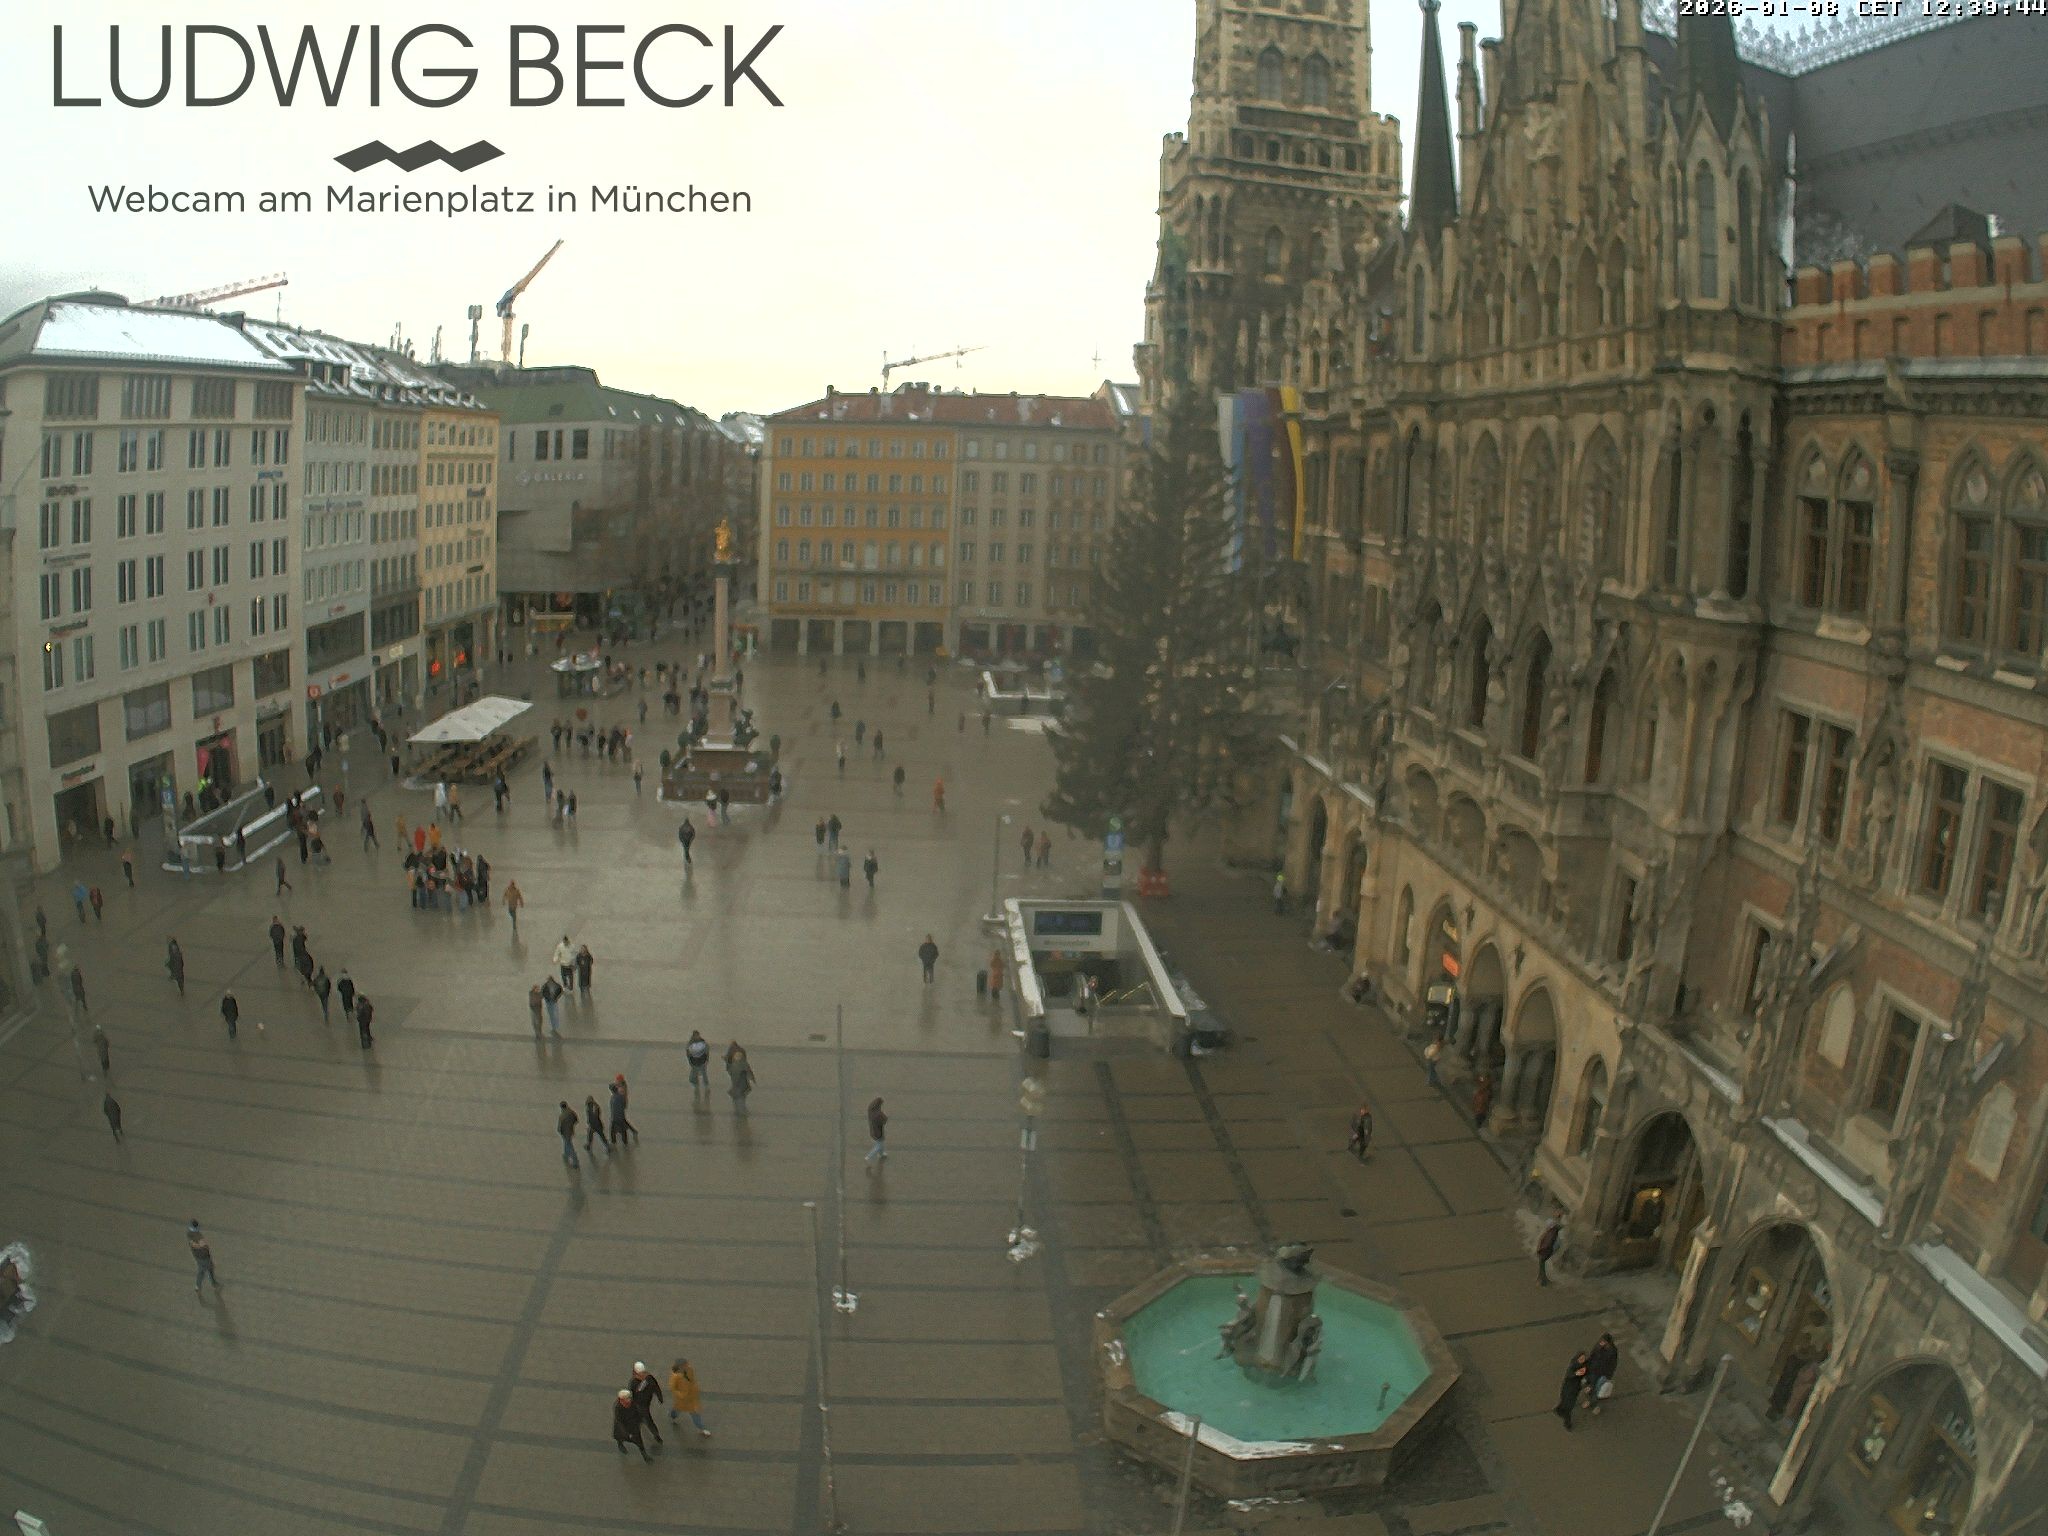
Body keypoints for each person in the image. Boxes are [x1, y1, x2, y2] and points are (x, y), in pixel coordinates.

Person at [667, 1358, 712, 1436]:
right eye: (685, 1365)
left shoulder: (689, 1369)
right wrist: (680, 1395)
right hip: (682, 1400)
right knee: (676, 1410)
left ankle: (702, 1428)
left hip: (691, 1397)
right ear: (680, 1366)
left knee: (695, 1414)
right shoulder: (675, 1376)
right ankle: (672, 1416)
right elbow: (672, 1388)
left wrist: (695, 1388)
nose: (687, 1366)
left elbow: (692, 1379)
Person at [629, 1362, 665, 1445]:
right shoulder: (634, 1383)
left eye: (643, 1373)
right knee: (646, 1419)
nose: (642, 1375)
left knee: (647, 1419)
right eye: (640, 1374)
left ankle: (655, 1434)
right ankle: (653, 1434)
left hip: (646, 1402)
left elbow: (656, 1387)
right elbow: (633, 1394)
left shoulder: (649, 1378)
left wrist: (659, 1396)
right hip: (640, 1404)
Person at [612, 1389, 652, 1460]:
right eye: (626, 1399)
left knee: (639, 1442)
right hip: (623, 1428)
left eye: (629, 1398)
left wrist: (641, 1419)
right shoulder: (618, 1408)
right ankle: (620, 1444)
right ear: (621, 1400)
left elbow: (638, 1412)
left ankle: (645, 1455)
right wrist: (626, 1433)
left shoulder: (632, 1404)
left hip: (633, 1427)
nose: (629, 1400)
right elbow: (619, 1421)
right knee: (620, 1438)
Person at [1585, 1332, 1619, 1415]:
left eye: (1604, 1341)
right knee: (1591, 1387)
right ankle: (1590, 1401)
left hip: (1603, 1374)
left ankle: (1597, 1406)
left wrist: (1608, 1376)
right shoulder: (1598, 1347)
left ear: (1608, 1343)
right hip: (1594, 1371)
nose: (1601, 1342)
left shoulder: (1612, 1352)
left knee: (1599, 1391)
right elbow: (1592, 1356)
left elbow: (1612, 1365)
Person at [1555, 1352, 1589, 1431]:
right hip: (1568, 1387)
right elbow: (1569, 1375)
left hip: (1575, 1389)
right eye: (1580, 1359)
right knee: (1567, 1404)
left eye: (1583, 1359)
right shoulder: (1573, 1366)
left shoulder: (1584, 1366)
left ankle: (1560, 1410)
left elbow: (1586, 1375)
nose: (1582, 1360)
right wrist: (1576, 1374)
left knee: (1568, 1403)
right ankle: (1567, 1421)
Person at [188, 1221, 221, 1294]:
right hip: (204, 1257)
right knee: (207, 1269)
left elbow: (193, 1245)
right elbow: (203, 1246)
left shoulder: (189, 1234)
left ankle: (199, 1286)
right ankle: (212, 1283)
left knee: (203, 1270)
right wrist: (204, 1246)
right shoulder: (198, 1236)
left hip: (198, 1257)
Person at [725, 1042, 756, 1109]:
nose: (737, 1057)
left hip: (741, 1085)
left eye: (738, 1056)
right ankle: (739, 1111)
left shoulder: (742, 1064)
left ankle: (740, 1111)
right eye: (736, 1056)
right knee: (739, 1099)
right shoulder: (737, 1064)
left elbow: (749, 1071)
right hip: (738, 1085)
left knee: (740, 1099)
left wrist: (752, 1078)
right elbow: (749, 1072)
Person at [608, 1079, 637, 1145]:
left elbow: (612, 1108)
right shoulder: (620, 1096)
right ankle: (625, 1141)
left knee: (613, 1130)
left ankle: (615, 1142)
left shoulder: (613, 1098)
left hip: (616, 1117)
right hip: (620, 1115)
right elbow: (623, 1105)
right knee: (623, 1128)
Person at [1536, 1216, 1562, 1286]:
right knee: (1542, 1264)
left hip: (1544, 1249)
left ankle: (1542, 1279)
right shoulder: (1552, 1233)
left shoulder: (1549, 1232)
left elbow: (1542, 1239)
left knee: (1542, 1264)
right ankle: (1542, 1280)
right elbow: (1547, 1242)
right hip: (1545, 1249)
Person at [558, 1102, 581, 1167]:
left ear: (561, 1107)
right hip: (570, 1131)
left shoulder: (562, 1116)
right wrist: (571, 1125)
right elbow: (576, 1120)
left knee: (569, 1146)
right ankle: (566, 1154)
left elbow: (560, 1127)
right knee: (566, 1143)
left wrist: (560, 1131)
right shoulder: (571, 1112)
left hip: (565, 1132)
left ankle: (575, 1161)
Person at [865, 1097, 888, 1165]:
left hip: (873, 1130)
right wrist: (884, 1116)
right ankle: (869, 1157)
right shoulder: (878, 1114)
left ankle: (881, 1154)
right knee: (878, 1145)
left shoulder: (871, 1109)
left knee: (881, 1143)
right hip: (878, 1133)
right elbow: (884, 1120)